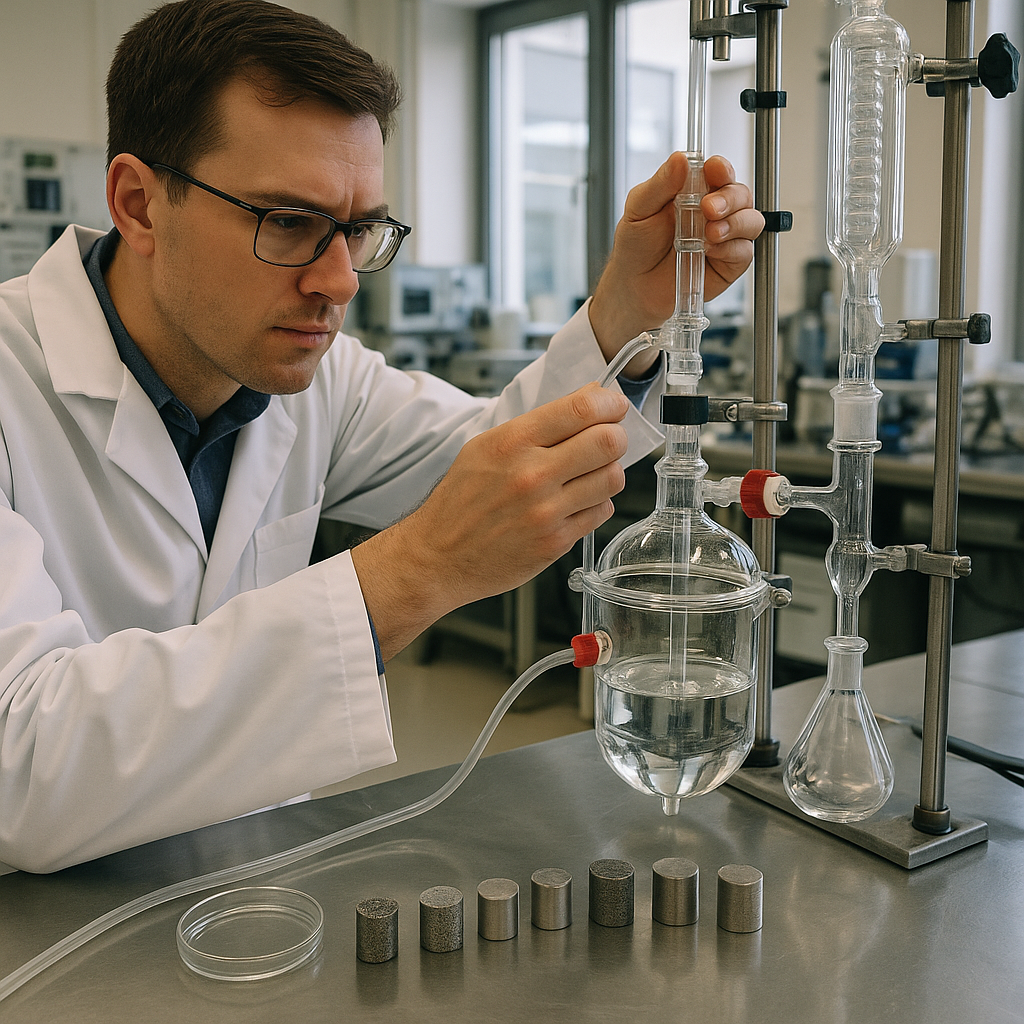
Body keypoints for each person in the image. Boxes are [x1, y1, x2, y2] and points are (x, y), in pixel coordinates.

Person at [0, 0, 763, 872]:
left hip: (260, 889)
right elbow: (19, 768)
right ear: (139, 203)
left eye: (359, 230)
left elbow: (501, 462)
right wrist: (417, 571)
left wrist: (633, 311)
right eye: (288, 222)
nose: (339, 281)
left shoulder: (323, 381)